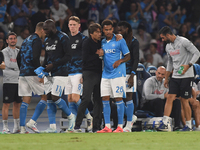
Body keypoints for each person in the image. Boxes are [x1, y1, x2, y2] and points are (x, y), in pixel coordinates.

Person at [158, 26, 200, 131]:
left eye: (163, 38)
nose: (162, 40)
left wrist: (189, 65)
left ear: (168, 35)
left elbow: (197, 53)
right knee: (170, 97)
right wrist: (166, 78)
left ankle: (189, 125)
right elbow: (170, 62)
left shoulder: (184, 42)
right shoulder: (168, 46)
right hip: (175, 76)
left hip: (187, 76)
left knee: (184, 100)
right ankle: (165, 123)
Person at [40, 19, 75, 133]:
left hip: (61, 72)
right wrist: (43, 68)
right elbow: (47, 57)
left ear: (52, 27)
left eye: (46, 29)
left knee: (55, 97)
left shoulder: (63, 37)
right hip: (49, 73)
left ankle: (71, 116)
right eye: (43, 29)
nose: (44, 31)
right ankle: (52, 127)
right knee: (49, 98)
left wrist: (54, 65)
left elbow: (68, 56)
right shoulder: (46, 39)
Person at [97, 19, 130, 133]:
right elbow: (102, 56)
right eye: (106, 30)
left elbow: (128, 55)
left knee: (118, 98)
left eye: (110, 29)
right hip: (106, 74)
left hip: (118, 74)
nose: (108, 32)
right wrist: (101, 56)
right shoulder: (102, 42)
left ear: (113, 29)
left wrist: (120, 61)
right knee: (105, 98)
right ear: (103, 30)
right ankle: (107, 127)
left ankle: (120, 126)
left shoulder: (119, 40)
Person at [17, 22, 47, 134]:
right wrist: (40, 73)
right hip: (32, 73)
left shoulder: (26, 40)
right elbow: (35, 58)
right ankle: (32, 122)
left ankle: (22, 128)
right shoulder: (37, 40)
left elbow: (18, 57)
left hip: (23, 73)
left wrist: (22, 69)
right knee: (45, 96)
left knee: (26, 100)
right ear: (42, 30)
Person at [64, 16, 93, 131]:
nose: (72, 27)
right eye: (70, 25)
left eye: (74, 25)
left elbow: (87, 57)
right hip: (68, 72)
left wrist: (84, 73)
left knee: (76, 98)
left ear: (79, 26)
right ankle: (73, 126)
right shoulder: (65, 39)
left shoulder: (83, 39)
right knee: (70, 98)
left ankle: (89, 117)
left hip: (78, 72)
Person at [73, 23, 103, 133]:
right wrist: (97, 55)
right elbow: (85, 59)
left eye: (100, 32)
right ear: (91, 34)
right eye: (97, 32)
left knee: (98, 100)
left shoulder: (101, 42)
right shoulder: (86, 43)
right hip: (89, 73)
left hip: (99, 73)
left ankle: (96, 126)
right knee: (85, 99)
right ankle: (77, 126)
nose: (100, 34)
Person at [117, 21, 139, 132]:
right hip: (117, 73)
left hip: (129, 74)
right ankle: (131, 117)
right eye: (118, 30)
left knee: (128, 98)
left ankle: (128, 125)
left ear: (127, 29)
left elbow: (136, 59)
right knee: (116, 98)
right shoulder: (117, 41)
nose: (119, 32)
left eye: (121, 30)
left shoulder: (134, 42)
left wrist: (132, 74)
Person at [1, 32, 20, 134]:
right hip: (8, 81)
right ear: (7, 41)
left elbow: (21, 64)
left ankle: (16, 127)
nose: (13, 40)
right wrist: (17, 67)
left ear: (16, 40)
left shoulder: (19, 51)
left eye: (14, 38)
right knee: (6, 104)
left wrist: (14, 67)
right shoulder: (3, 52)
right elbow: (8, 64)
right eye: (11, 39)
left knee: (17, 104)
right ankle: (5, 127)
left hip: (19, 81)